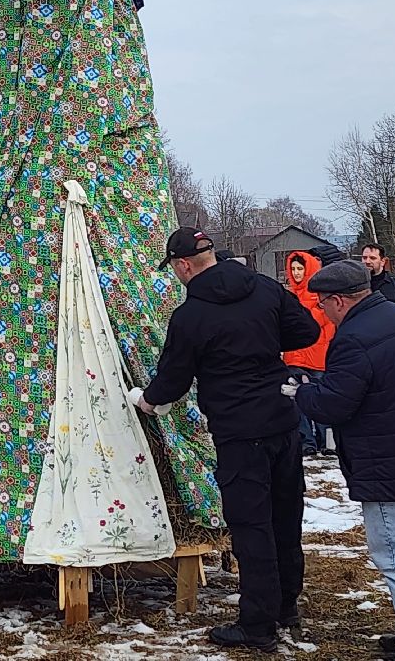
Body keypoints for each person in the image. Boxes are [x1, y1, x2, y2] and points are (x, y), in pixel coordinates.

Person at [136, 227, 320, 652]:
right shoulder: (264, 289)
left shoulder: (191, 315)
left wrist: (146, 403)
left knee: (251, 526)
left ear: (183, 266)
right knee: (286, 515)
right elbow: (306, 332)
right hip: (282, 421)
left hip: (239, 433)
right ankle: (286, 606)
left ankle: (258, 626)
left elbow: (173, 380)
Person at [293, 260, 395, 661]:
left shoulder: (354, 337)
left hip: (388, 460)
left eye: (323, 304)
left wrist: (300, 393)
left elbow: (335, 405)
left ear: (339, 301)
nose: (322, 312)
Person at [282, 251, 335, 458]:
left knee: (319, 400)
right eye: (293, 269)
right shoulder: (290, 296)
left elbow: (323, 324)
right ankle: (307, 441)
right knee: (298, 402)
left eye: (300, 269)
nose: (296, 273)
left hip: (317, 356)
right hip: (295, 356)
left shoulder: (321, 295)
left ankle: (326, 440)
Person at [361, 244, 395, 314]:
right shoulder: (354, 286)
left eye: (372, 258)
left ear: (382, 261)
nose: (367, 261)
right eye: (364, 258)